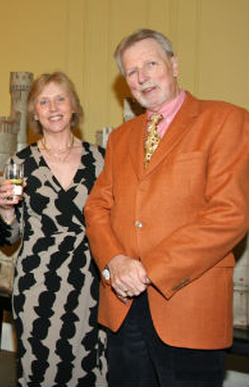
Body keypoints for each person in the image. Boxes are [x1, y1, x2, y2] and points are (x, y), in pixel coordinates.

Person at [84, 28, 249, 387]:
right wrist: (114, 261)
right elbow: (97, 207)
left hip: (188, 307)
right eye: (131, 71)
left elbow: (229, 215)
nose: (141, 77)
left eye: (150, 64)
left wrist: (148, 269)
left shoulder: (225, 120)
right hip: (123, 306)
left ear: (174, 65)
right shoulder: (121, 137)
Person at [0, 72, 107, 386]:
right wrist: (6, 210)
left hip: (90, 281)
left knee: (90, 367)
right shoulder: (20, 162)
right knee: (41, 368)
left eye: (60, 98)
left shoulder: (101, 159)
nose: (53, 107)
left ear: (74, 106)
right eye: (43, 101)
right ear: (34, 113)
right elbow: (10, 237)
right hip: (38, 284)